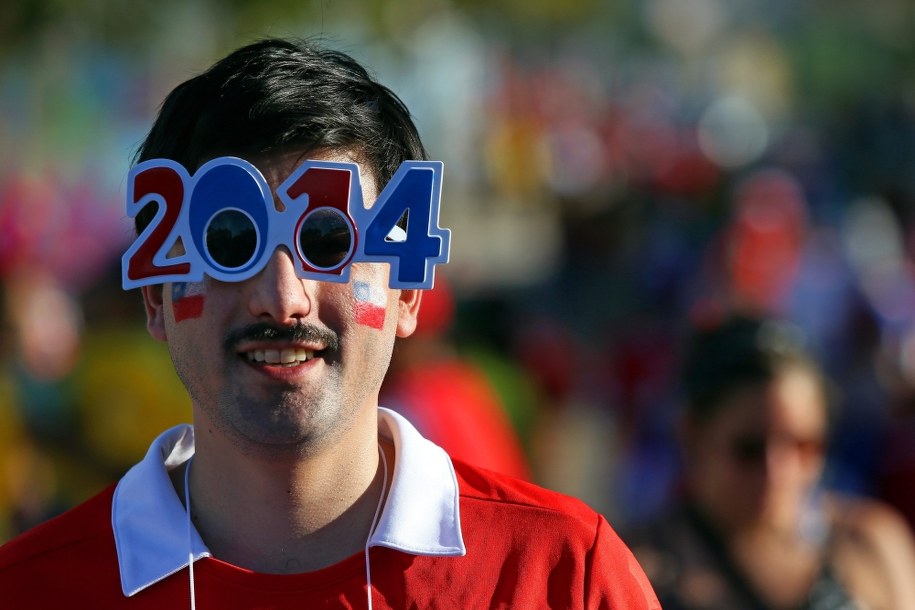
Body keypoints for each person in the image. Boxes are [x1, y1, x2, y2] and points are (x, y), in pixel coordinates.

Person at [0, 37, 659, 608]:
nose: (282, 300)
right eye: (231, 241)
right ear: (155, 300)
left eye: (327, 239)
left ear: (406, 295)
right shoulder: (29, 592)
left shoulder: (562, 578)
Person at [624, 314, 915, 609]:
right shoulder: (638, 570)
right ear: (692, 437)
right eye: (749, 449)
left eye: (803, 446)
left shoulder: (868, 544)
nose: (777, 471)